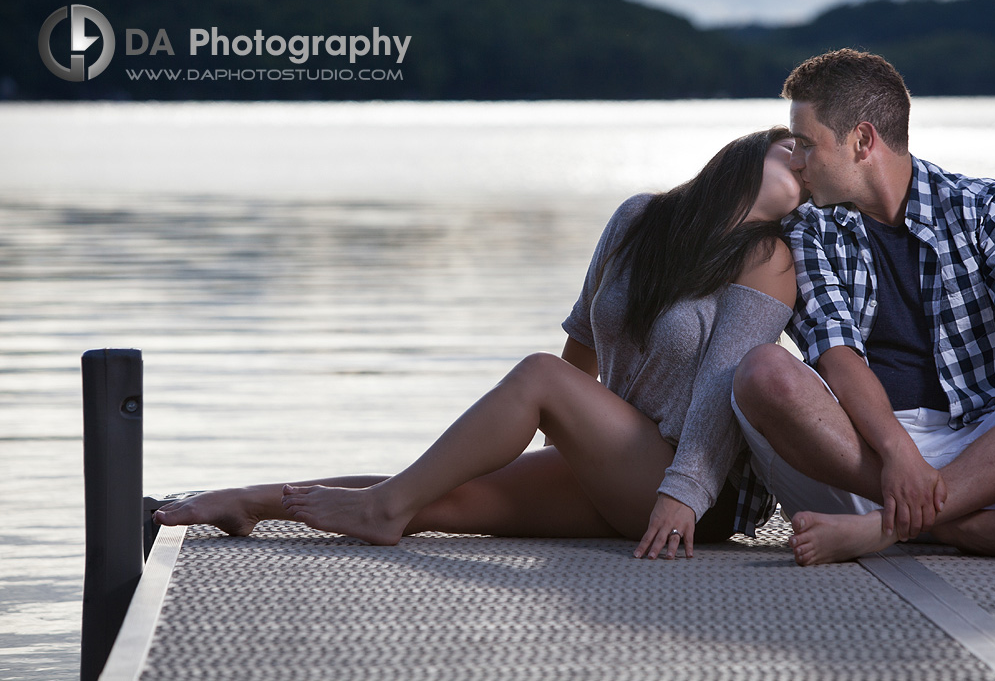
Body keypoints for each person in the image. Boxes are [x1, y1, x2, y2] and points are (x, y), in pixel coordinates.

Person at [156, 127, 801, 560]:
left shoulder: (768, 257)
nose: (803, 161)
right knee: (443, 494)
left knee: (537, 377)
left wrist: (682, 496)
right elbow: (583, 335)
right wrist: (569, 435)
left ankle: (377, 510)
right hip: (619, 455)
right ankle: (249, 500)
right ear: (743, 156)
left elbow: (723, 390)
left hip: (691, 493)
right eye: (790, 149)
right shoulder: (639, 219)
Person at [731, 49, 995, 566]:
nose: (794, 161)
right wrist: (898, 453)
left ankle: (886, 528)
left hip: (984, 455)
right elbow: (836, 354)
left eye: (805, 145)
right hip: (861, 457)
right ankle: (953, 524)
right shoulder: (807, 231)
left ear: (862, 141)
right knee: (761, 372)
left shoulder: (987, 207)